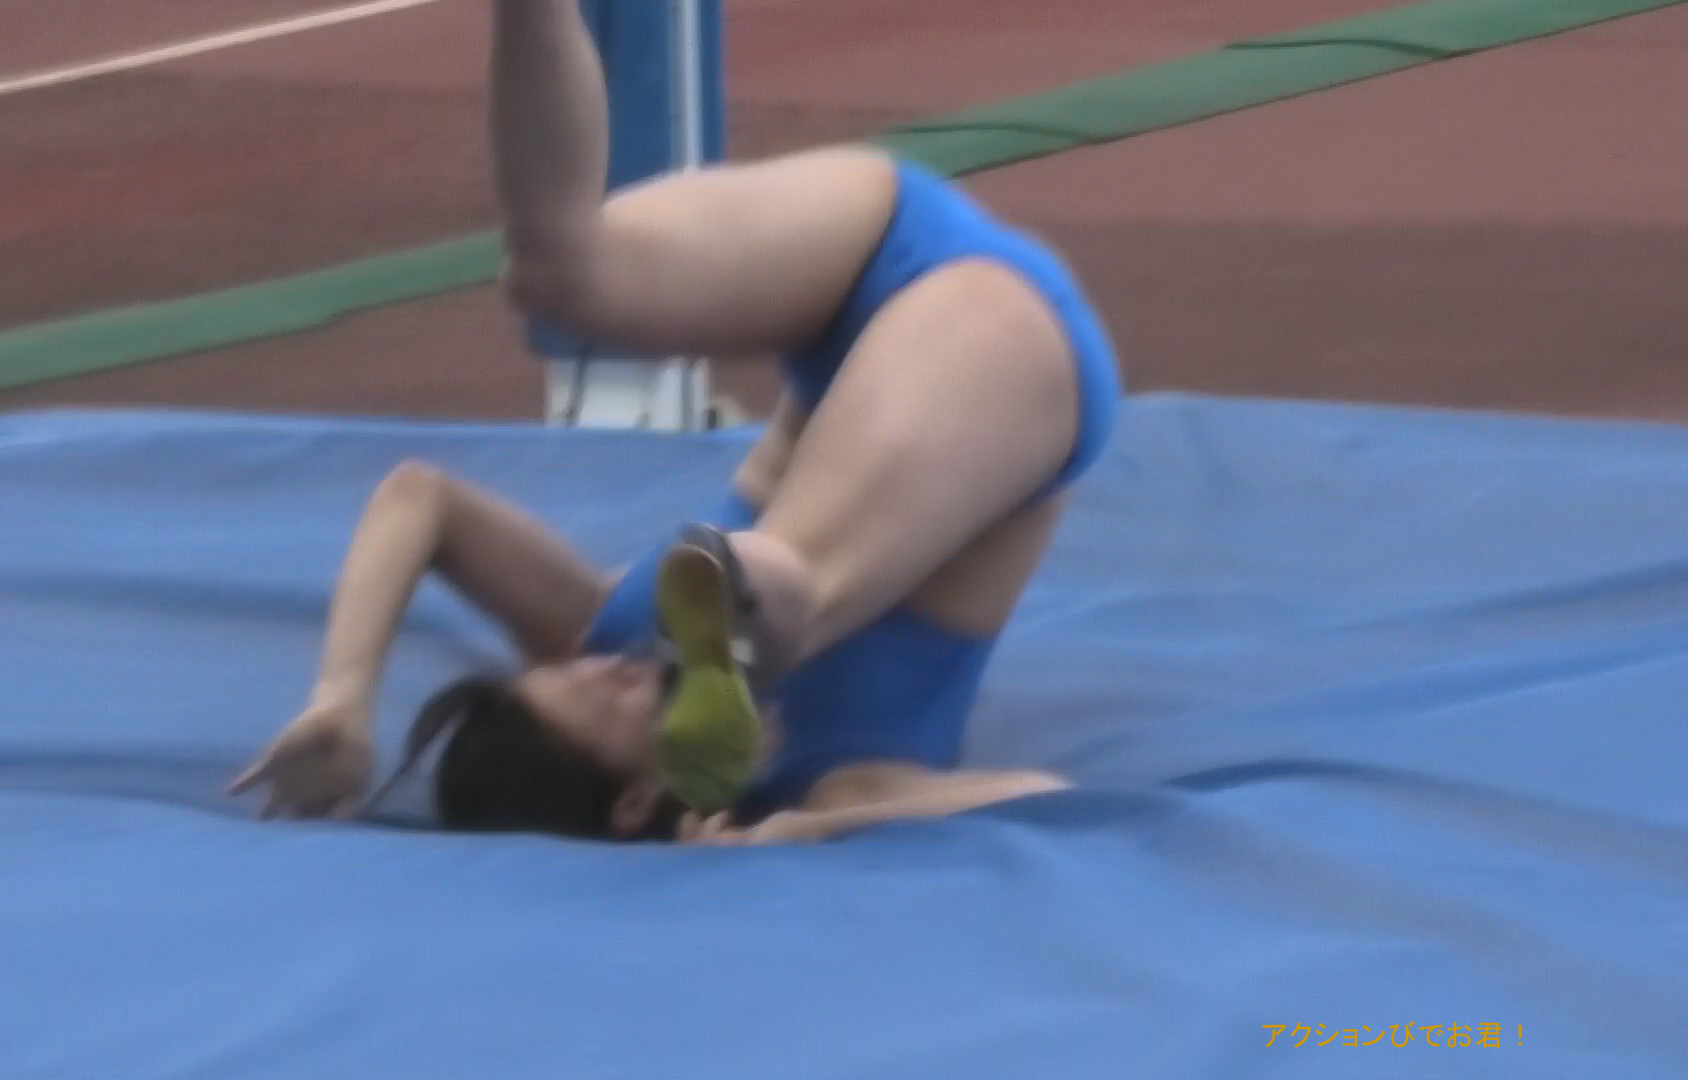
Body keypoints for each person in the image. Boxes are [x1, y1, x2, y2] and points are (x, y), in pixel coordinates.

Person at [227, 0, 1123, 845]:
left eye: (569, 671)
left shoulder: (603, 634)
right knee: (789, 599)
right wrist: (801, 832)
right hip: (1004, 352)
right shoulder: (829, 782)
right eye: (599, 698)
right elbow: (1042, 793)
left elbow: (421, 500)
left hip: (872, 254)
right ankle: (743, 616)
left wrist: (342, 695)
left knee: (556, 275)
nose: (606, 666)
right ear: (635, 799)